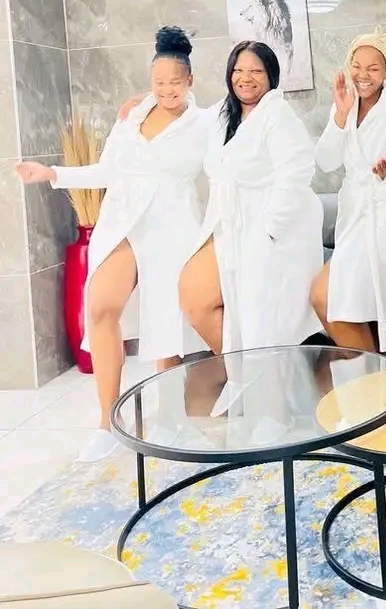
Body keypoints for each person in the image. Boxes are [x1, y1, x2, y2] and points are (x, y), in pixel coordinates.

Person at [16, 27, 209, 462]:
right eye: (158, 83)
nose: (166, 91)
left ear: (190, 81)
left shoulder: (205, 123)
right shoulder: (133, 116)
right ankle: (106, 422)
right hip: (122, 222)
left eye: (174, 83)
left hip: (171, 227)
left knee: (165, 325)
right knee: (101, 307)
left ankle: (172, 418)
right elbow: (107, 171)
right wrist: (53, 174)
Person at [176, 40, 323, 363]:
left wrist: (270, 230)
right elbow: (187, 116)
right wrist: (145, 105)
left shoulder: (278, 115)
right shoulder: (225, 114)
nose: (246, 78)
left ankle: (262, 379)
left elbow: (297, 171)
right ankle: (243, 373)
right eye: (239, 70)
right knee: (198, 300)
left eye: (256, 71)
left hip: (268, 229)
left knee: (262, 318)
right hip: (231, 222)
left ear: (271, 76)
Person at [310, 29, 386, 358]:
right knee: (330, 299)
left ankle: (383, 381)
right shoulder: (346, 102)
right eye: (357, 66)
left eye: (373, 68)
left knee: (381, 313)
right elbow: (326, 161)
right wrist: (340, 115)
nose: (363, 75)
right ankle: (376, 380)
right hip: (355, 215)